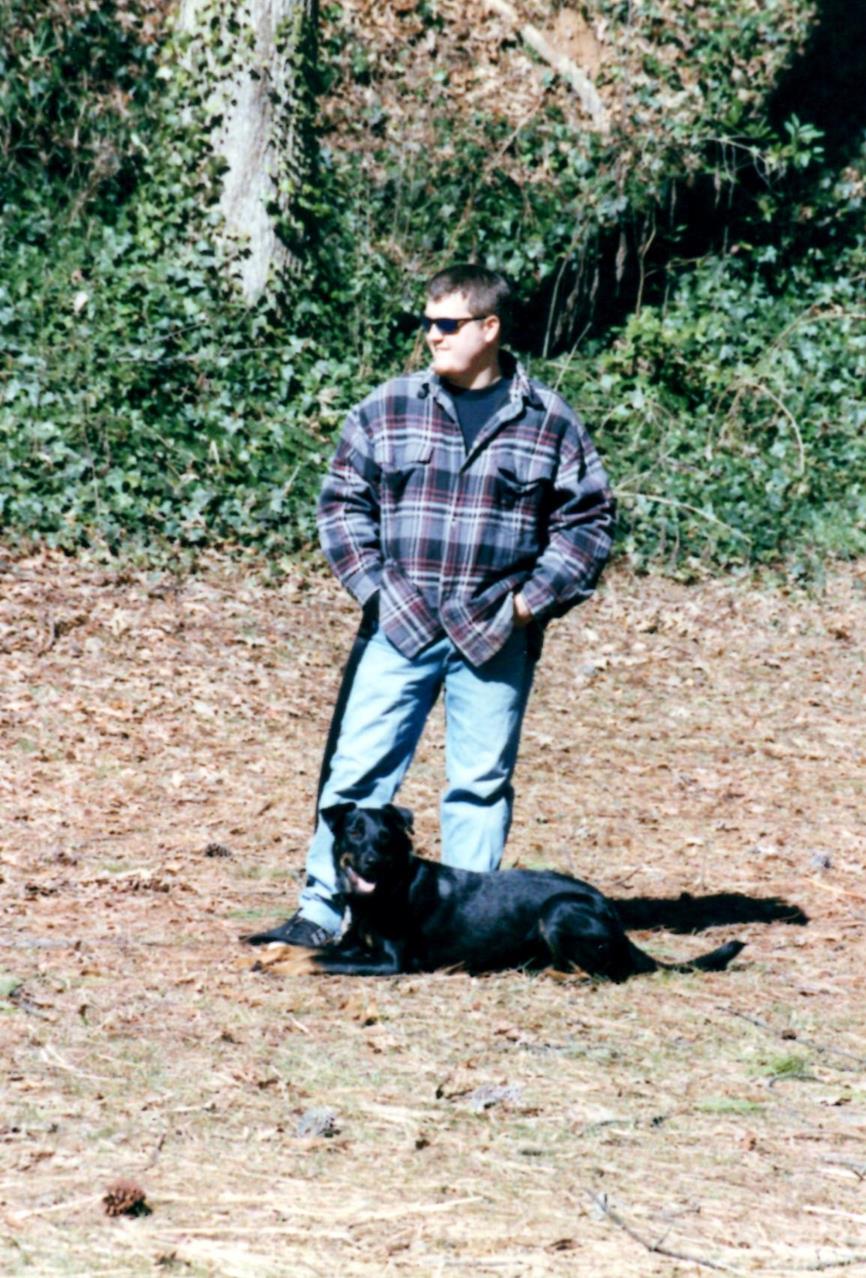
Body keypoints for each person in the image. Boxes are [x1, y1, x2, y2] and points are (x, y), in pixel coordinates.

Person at [247, 263, 615, 949]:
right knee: (356, 776)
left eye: (445, 324)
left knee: (479, 785)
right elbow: (340, 508)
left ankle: (469, 933)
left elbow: (587, 527)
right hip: (400, 628)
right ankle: (323, 913)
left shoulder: (550, 423)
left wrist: (528, 609)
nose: (430, 336)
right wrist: (378, 594)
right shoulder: (387, 408)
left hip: (495, 635)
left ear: (489, 329)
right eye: (427, 323)